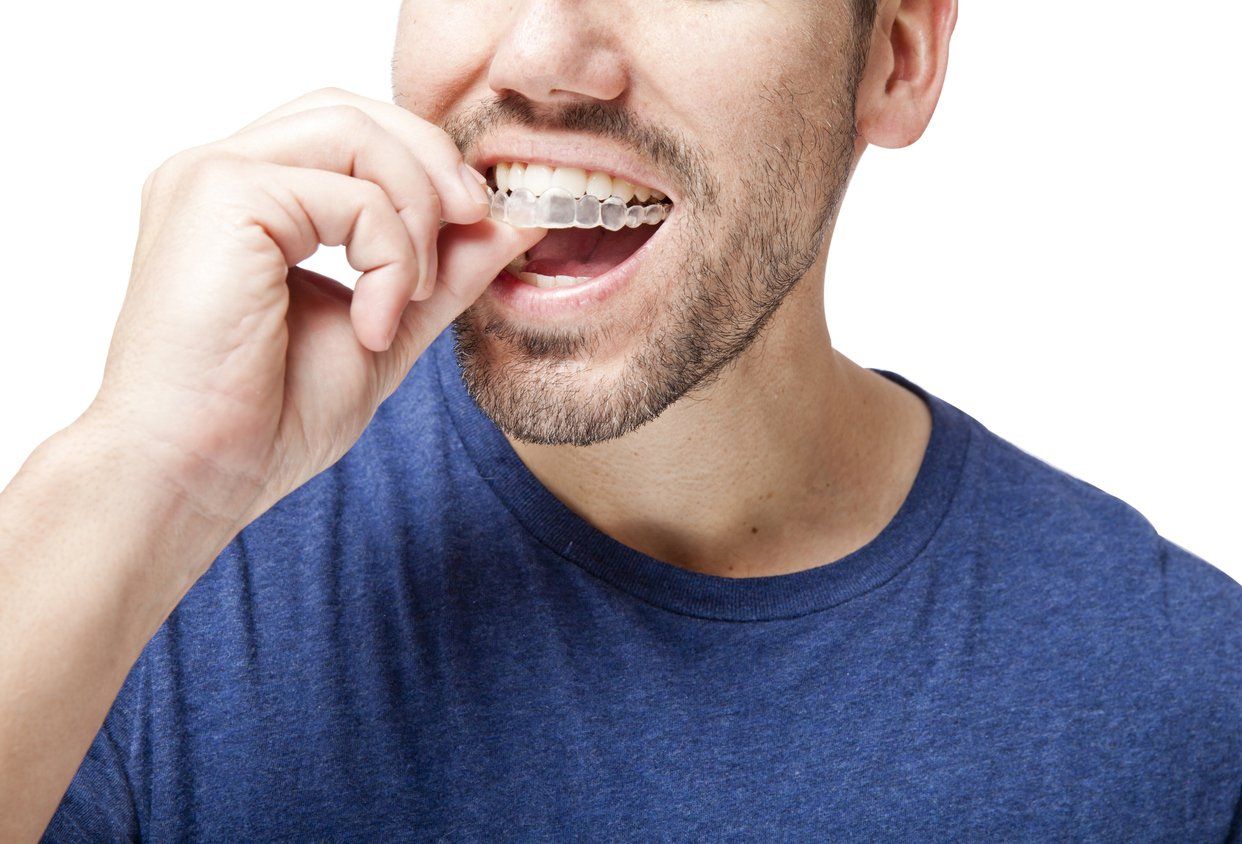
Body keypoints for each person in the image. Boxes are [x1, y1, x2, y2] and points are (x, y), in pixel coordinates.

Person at [1, 0, 1238, 839]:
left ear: (896, 58)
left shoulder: (1187, 694)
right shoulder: (137, 591)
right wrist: (140, 471)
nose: (541, 50)